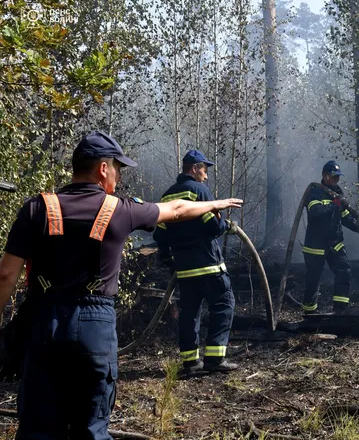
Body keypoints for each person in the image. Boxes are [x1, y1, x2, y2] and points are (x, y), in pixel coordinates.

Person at [0, 131, 243, 439]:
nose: (118, 176)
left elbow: (6, 276)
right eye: (118, 168)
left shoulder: (37, 208)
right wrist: (214, 203)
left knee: (38, 427)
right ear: (103, 169)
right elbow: (177, 210)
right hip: (94, 326)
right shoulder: (120, 209)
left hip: (44, 321)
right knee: (91, 428)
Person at [153, 149, 239, 375]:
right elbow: (214, 227)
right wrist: (227, 224)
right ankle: (215, 359)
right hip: (209, 265)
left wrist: (170, 260)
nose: (206, 176)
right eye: (204, 170)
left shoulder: (166, 196)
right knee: (223, 304)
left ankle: (191, 363)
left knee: (190, 312)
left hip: (184, 270)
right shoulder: (200, 191)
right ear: (194, 168)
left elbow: (160, 235)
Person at [302, 160, 359, 315]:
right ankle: (309, 313)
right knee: (314, 279)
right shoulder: (314, 192)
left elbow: (344, 217)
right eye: (334, 177)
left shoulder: (338, 194)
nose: (337, 180)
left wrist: (358, 228)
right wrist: (334, 204)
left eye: (338, 177)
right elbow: (316, 212)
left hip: (334, 243)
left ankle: (340, 311)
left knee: (344, 271)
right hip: (315, 246)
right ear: (325, 176)